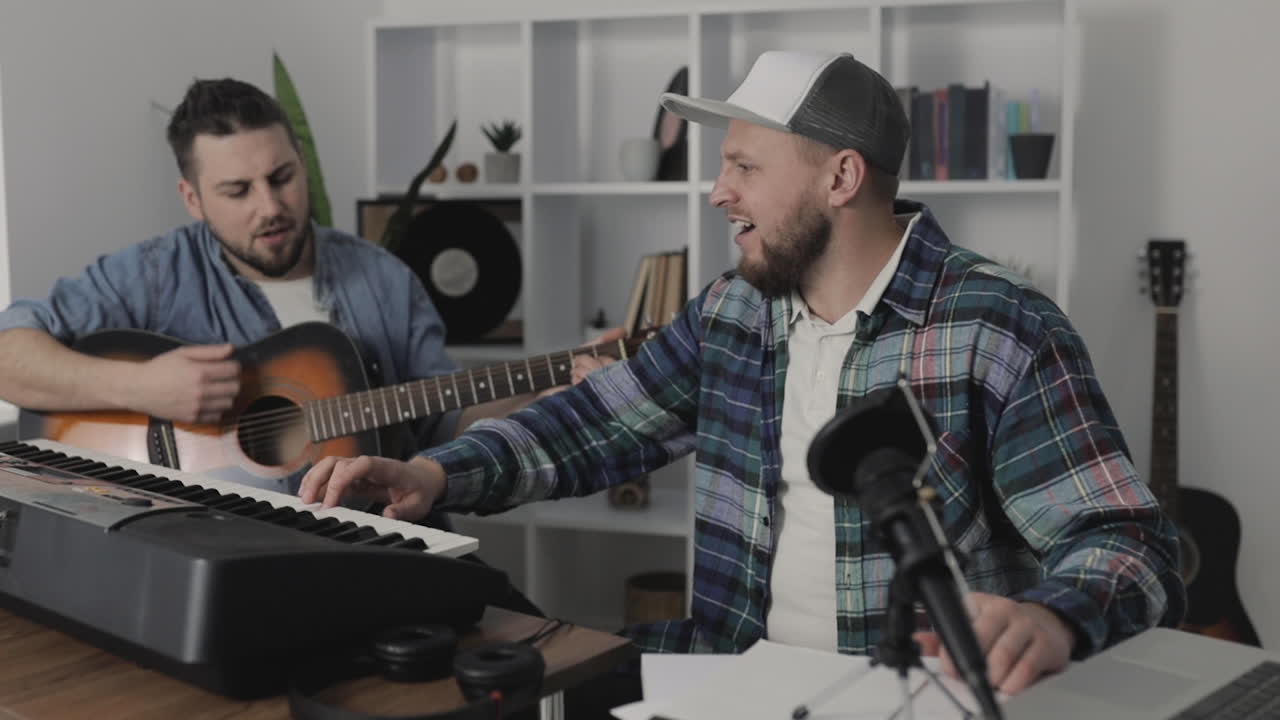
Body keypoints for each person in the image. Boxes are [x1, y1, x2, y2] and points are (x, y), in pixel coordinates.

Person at [300, 50, 1185, 704]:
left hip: (917, 696)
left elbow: (1128, 541)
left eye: (745, 167)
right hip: (729, 671)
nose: (717, 193)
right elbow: (596, 421)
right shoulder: (734, 311)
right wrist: (431, 474)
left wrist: (1055, 617)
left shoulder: (999, 328)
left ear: (842, 177)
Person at [0, 77, 540, 612]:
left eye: (282, 177)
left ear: (302, 163)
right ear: (193, 198)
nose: (271, 207)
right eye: (238, 191)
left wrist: (545, 389)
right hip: (209, 574)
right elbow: (9, 355)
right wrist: (140, 386)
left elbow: (442, 426)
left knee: (525, 628)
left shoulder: (385, 281)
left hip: (377, 558)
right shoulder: (154, 275)